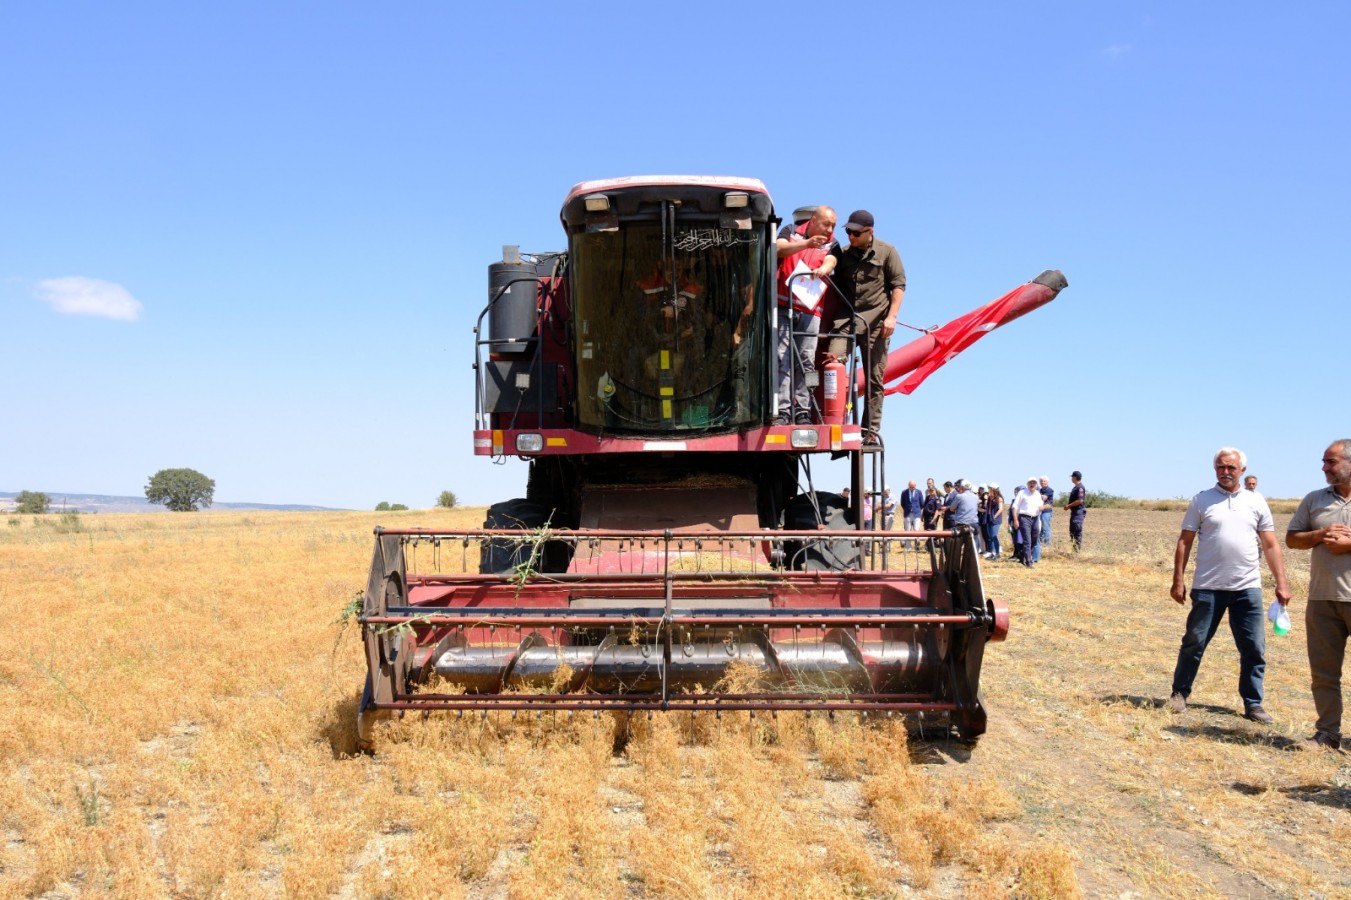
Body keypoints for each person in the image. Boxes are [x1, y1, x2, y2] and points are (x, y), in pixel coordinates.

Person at [1166, 447, 1291, 723]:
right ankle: (1179, 693)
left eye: (1231, 468)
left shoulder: (1256, 502)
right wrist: (1178, 579)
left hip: (1248, 588)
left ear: (1242, 470)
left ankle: (1253, 703)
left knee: (1254, 648)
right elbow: (1184, 541)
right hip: (1208, 587)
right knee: (1194, 641)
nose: (1225, 472)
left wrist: (1282, 582)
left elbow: (1270, 543)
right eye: (1220, 467)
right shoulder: (1201, 501)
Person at [1285, 439, 1351, 750]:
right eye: (1324, 462)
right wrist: (1320, 535)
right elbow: (1293, 539)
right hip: (1323, 599)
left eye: (1331, 462)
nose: (1324, 468)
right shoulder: (1314, 500)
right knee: (1324, 673)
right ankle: (1327, 735)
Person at [822, 210, 906, 447]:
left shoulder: (887, 252)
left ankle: (869, 432)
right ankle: (833, 424)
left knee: (874, 379)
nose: (851, 236)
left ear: (870, 232)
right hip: (846, 320)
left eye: (856, 233)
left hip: (877, 323)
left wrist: (892, 318)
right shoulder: (844, 253)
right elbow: (828, 264)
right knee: (832, 364)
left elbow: (899, 285)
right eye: (848, 231)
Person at [774, 207, 837, 424]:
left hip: (812, 312)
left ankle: (802, 410)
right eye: (826, 224)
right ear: (813, 220)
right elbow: (778, 249)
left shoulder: (833, 244)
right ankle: (782, 410)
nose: (830, 229)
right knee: (781, 358)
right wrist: (806, 244)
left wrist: (825, 269)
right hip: (783, 306)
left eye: (833, 226)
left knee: (806, 362)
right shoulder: (790, 230)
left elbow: (832, 260)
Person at [1012, 478, 1044, 568]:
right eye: (1030, 483)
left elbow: (1040, 506)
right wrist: (1015, 520)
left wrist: (1045, 506)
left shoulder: (1037, 494)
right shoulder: (1022, 493)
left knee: (1034, 538)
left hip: (1035, 518)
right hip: (1024, 518)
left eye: (1034, 483)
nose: (1032, 484)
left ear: (1036, 485)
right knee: (1027, 540)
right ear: (1027, 484)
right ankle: (1029, 562)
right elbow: (1015, 507)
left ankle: (1022, 554)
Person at [1064, 471, 1087, 551]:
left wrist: (1069, 506)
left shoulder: (1080, 487)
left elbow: (1080, 500)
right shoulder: (1076, 487)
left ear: (1074, 477)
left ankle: (1076, 551)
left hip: (1078, 512)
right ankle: (1074, 550)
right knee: (1072, 531)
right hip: (1075, 512)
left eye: (1072, 477)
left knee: (1076, 531)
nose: (1071, 479)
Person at [984, 484, 1004, 559]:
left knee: (994, 536)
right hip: (989, 519)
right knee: (990, 536)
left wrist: (994, 516)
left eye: (990, 488)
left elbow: (1001, 509)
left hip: (995, 520)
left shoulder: (999, 498)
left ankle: (997, 553)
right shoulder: (990, 498)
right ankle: (993, 552)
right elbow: (987, 507)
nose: (989, 489)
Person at [1039, 476, 1055, 550]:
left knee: (1046, 528)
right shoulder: (1040, 490)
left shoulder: (1049, 490)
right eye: (1041, 481)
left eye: (1044, 481)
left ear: (1047, 482)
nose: (1043, 482)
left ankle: (1047, 545)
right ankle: (1041, 544)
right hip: (1040, 512)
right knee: (1040, 528)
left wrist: (1037, 495)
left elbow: (1043, 498)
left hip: (1046, 511)